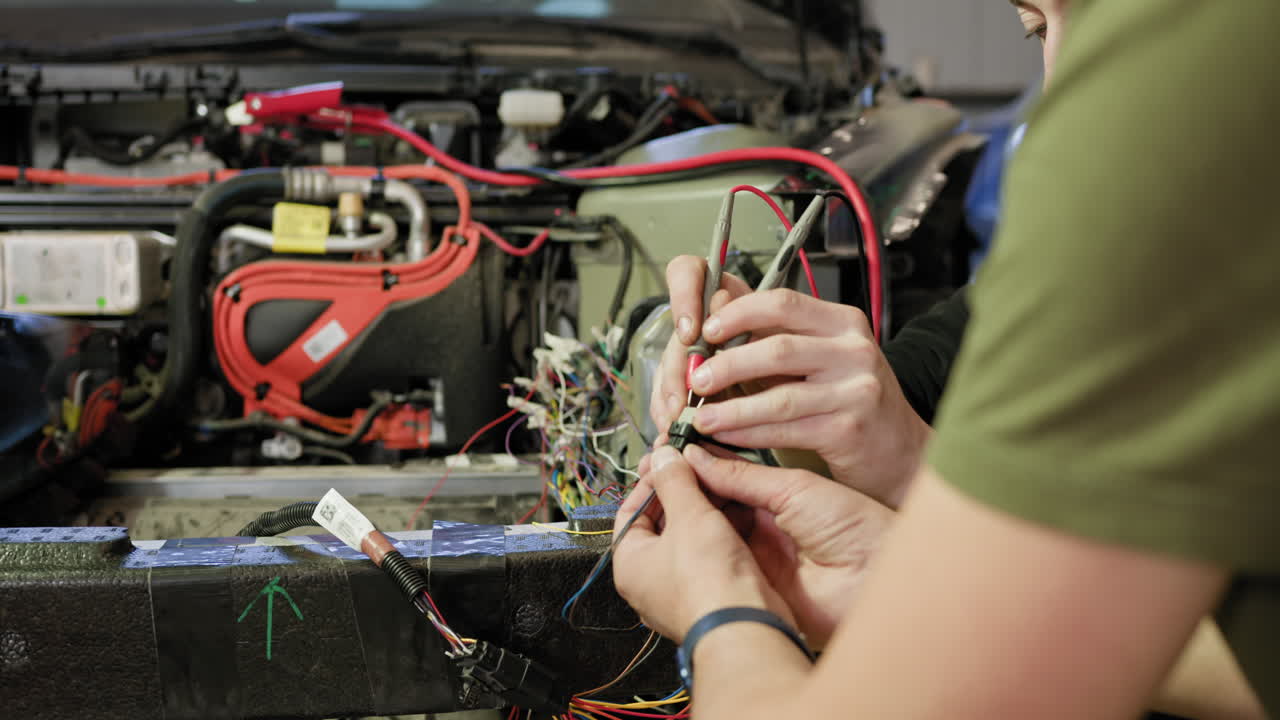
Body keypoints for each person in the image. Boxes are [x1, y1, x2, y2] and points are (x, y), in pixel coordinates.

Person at [613, 0, 1279, 717]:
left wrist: (722, 611)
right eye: (1037, 31)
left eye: (1087, 18)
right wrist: (815, 421)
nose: (1058, 85)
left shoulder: (1202, 79)